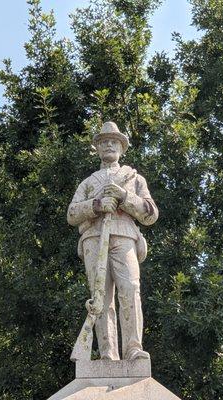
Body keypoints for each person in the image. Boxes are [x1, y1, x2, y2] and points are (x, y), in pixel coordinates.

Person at [67, 121, 158, 361]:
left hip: (125, 236)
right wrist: (96, 206)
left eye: (114, 141)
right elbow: (72, 214)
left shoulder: (133, 178)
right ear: (97, 148)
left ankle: (133, 348)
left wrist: (124, 197)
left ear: (122, 147)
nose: (109, 145)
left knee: (130, 289)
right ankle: (107, 353)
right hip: (94, 239)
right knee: (101, 297)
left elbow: (150, 213)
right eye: (104, 141)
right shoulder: (88, 183)